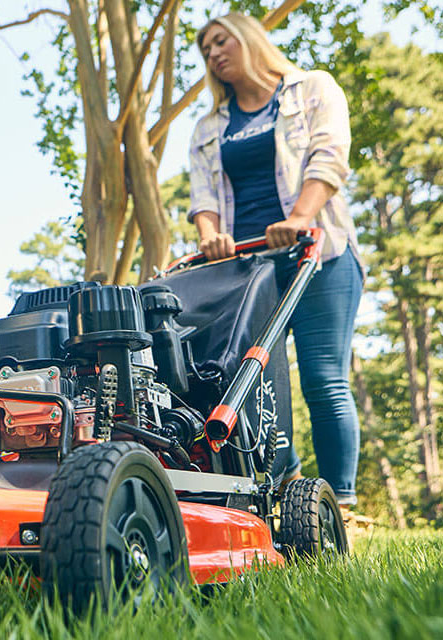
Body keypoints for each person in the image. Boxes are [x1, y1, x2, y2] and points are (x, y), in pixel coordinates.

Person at [188, 12, 363, 505]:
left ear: (248, 38)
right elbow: (203, 195)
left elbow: (330, 155)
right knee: (251, 382)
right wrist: (210, 237)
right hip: (249, 270)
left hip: (317, 255)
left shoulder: (311, 89)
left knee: (323, 378)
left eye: (221, 41)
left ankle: (341, 502)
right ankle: (281, 488)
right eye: (206, 51)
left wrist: (302, 216)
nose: (214, 54)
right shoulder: (208, 126)